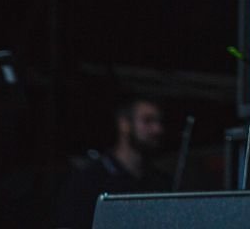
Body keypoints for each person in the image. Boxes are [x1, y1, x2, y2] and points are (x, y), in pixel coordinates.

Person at [55, 95, 170, 229]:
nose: (157, 129)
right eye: (147, 121)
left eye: (159, 122)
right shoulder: (89, 180)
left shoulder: (159, 181)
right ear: (124, 124)